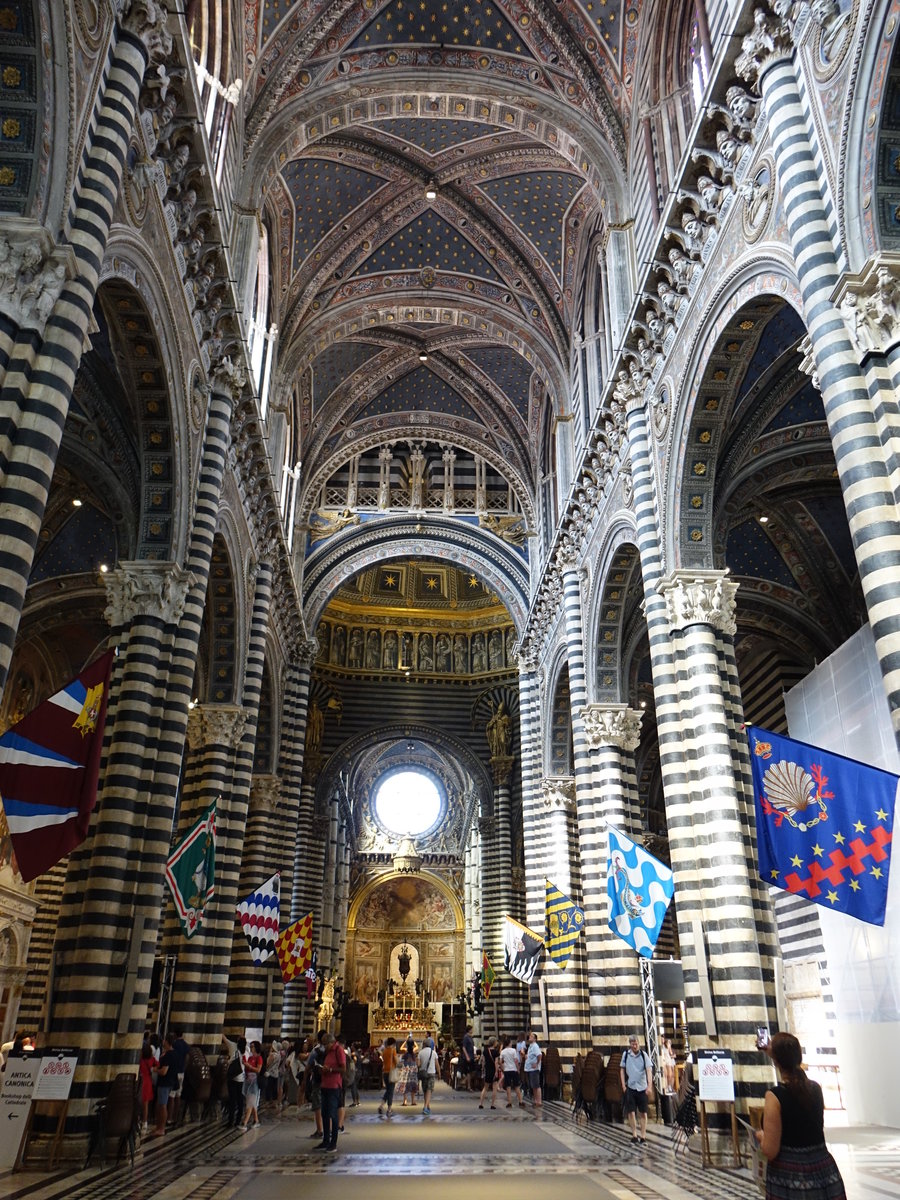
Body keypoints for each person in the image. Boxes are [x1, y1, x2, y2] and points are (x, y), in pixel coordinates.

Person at [755, 1032, 847, 1199]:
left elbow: (770, 1150)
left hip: (790, 1176)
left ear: (775, 1061)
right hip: (823, 1171)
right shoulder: (815, 1089)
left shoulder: (775, 1096)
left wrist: (761, 1136)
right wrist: (774, 1052)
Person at [620, 1034, 653, 1145]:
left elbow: (649, 1070)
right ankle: (634, 1134)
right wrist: (623, 1086)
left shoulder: (644, 1055)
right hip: (631, 1087)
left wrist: (649, 1086)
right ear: (630, 1045)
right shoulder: (626, 1055)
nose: (635, 1046)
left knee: (643, 1112)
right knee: (631, 1112)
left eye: (636, 1044)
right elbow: (622, 1070)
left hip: (642, 1088)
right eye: (633, 1044)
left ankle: (643, 1136)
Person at [315, 1032, 346, 1152]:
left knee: (333, 1114)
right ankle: (325, 1140)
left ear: (330, 1043)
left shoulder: (339, 1050)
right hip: (325, 1084)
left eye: (324, 1044)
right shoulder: (328, 1052)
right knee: (325, 1113)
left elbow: (343, 1069)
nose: (323, 1047)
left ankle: (333, 1143)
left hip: (334, 1086)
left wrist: (331, 1069)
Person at [152, 1034, 178, 1136]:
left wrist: (154, 1070)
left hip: (165, 1083)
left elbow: (163, 1071)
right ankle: (159, 1127)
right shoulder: (174, 1053)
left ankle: (161, 1129)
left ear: (167, 1041)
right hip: (170, 1082)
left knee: (162, 1105)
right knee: (161, 1104)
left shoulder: (169, 1055)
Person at [240, 1040, 263, 1131]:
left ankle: (244, 1123)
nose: (251, 1047)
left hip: (254, 1083)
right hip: (248, 1081)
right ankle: (256, 1121)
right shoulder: (250, 1058)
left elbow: (258, 1070)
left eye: (253, 1046)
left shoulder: (259, 1058)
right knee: (252, 1102)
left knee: (250, 1102)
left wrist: (248, 1066)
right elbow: (247, 1068)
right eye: (251, 1046)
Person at [499, 1036, 523, 1108]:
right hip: (513, 1070)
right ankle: (520, 1101)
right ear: (509, 1043)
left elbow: (500, 1062)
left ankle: (509, 1102)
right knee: (517, 1086)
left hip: (507, 1070)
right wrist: (518, 1069)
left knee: (508, 1087)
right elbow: (516, 1060)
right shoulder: (513, 1050)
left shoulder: (502, 1051)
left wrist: (503, 1068)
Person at [139, 1039, 158, 1131]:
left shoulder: (140, 1060)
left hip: (141, 1081)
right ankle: (145, 1122)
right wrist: (153, 1069)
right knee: (145, 1104)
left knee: (139, 1102)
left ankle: (138, 1120)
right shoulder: (152, 1059)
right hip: (148, 1082)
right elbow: (158, 1064)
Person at [418, 1036, 439, 1114]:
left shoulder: (420, 1052)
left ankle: (426, 1105)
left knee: (425, 1090)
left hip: (424, 1073)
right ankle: (426, 1107)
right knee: (429, 1090)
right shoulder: (433, 1052)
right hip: (431, 1073)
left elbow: (418, 1064)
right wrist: (439, 1073)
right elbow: (437, 1064)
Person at [378, 1036, 398, 1116]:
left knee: (388, 1090)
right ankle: (389, 1109)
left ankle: (381, 1106)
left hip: (385, 1072)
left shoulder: (385, 1050)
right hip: (391, 1072)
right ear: (393, 1043)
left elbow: (383, 1059)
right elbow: (396, 1061)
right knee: (391, 1091)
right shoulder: (393, 1050)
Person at [479, 1038, 500, 1109]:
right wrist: (496, 1072)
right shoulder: (496, 1052)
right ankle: (492, 1104)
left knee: (485, 1088)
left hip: (487, 1070)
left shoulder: (485, 1051)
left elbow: (483, 1061)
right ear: (494, 1043)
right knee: (494, 1088)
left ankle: (481, 1103)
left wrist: (483, 1068)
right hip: (493, 1071)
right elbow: (496, 1063)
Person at [524, 1032, 543, 1108]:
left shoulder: (535, 1046)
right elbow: (530, 1056)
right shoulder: (530, 1046)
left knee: (536, 1085)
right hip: (529, 1069)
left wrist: (537, 1063)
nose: (529, 1037)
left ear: (535, 1039)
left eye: (531, 1036)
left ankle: (539, 1102)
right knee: (533, 1086)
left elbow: (539, 1055)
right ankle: (535, 1101)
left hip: (534, 1069)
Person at [461, 1025, 476, 1091]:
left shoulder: (470, 1037)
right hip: (468, 1056)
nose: (472, 1030)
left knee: (473, 1071)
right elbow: (464, 1047)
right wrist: (467, 1056)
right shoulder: (466, 1037)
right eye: (471, 1029)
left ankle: (465, 1081)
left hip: (472, 1056)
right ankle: (468, 1086)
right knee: (469, 1072)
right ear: (469, 1030)